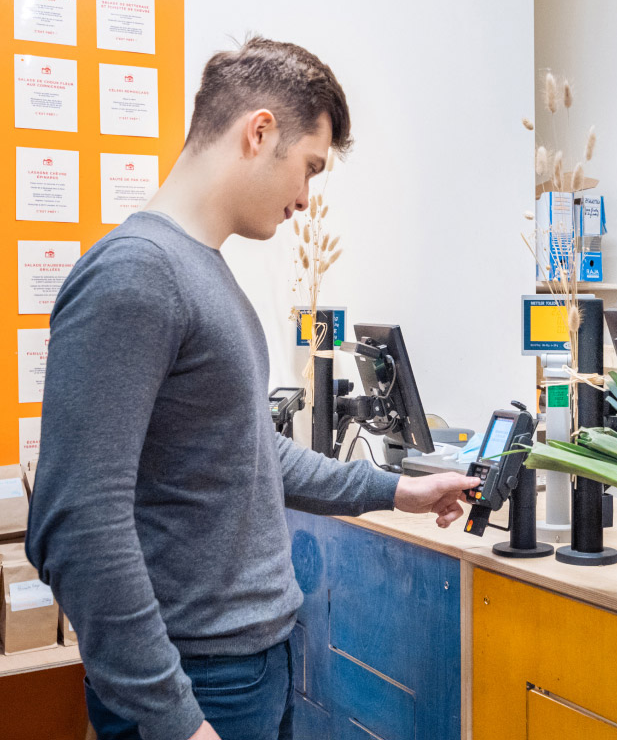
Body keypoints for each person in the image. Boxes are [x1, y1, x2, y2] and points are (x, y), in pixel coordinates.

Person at [25, 37, 481, 740]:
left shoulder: (202, 271)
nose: (305, 199)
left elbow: (249, 450)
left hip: (250, 667)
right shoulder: (136, 275)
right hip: (196, 685)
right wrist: (177, 720)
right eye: (308, 168)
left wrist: (391, 489)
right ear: (258, 131)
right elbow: (79, 523)